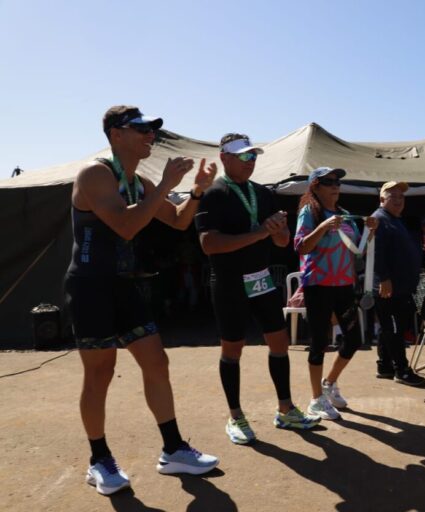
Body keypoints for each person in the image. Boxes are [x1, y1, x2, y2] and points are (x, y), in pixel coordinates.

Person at [64, 105, 219, 496]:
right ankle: (99, 459)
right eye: (141, 129)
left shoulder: (141, 182)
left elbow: (180, 220)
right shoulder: (96, 174)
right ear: (116, 134)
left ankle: (173, 450)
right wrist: (167, 184)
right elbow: (128, 225)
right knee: (100, 373)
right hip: (90, 287)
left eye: (152, 129)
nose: (150, 135)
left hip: (123, 283)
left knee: (157, 361)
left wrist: (198, 190)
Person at [195, 133, 320, 445]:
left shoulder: (262, 193)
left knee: (280, 343)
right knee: (232, 350)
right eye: (243, 157)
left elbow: (281, 241)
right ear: (224, 157)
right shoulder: (212, 194)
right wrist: (259, 233)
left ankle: (286, 409)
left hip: (261, 278)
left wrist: (278, 232)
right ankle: (236, 415)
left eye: (253, 156)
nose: (251, 162)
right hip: (228, 282)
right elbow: (209, 244)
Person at [294, 167, 378, 419]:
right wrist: (323, 226)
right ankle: (316, 400)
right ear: (315, 186)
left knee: (354, 339)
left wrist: (371, 231)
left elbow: (357, 251)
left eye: (338, 181)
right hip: (317, 285)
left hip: (343, 285)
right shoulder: (310, 211)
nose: (335, 185)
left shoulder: (344, 214)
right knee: (319, 342)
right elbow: (300, 246)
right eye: (328, 181)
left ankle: (329, 383)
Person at [371, 181, 425, 386]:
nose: (398, 200)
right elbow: (376, 251)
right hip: (388, 287)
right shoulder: (379, 219)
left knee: (390, 327)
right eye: (392, 196)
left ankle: (384, 365)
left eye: (401, 197)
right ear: (382, 199)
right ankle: (401, 370)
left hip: (401, 287)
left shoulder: (394, 219)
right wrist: (384, 278)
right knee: (394, 329)